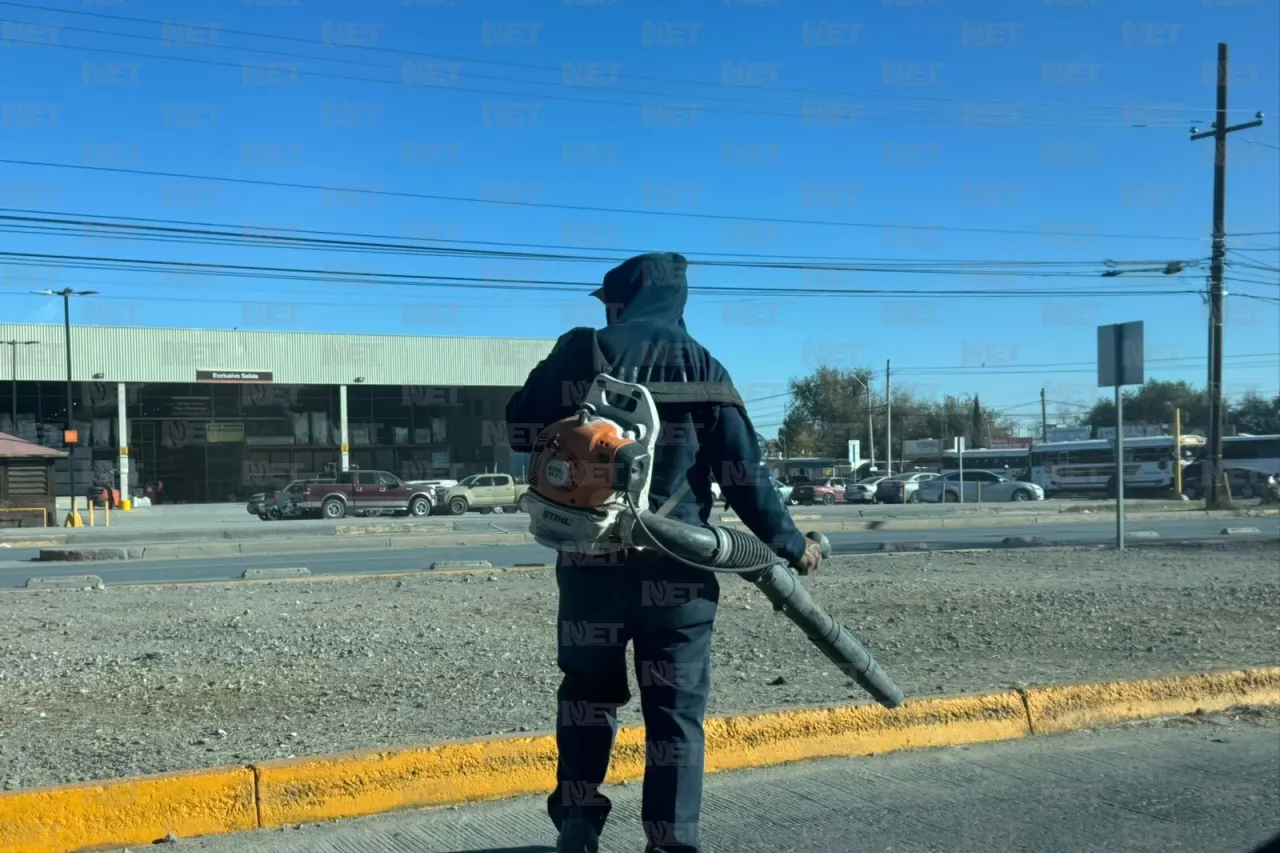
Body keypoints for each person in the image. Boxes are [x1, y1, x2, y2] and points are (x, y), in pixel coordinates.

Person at [505, 252, 824, 853]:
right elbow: (745, 478)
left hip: (589, 568)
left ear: (620, 301)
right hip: (680, 575)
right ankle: (671, 844)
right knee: (674, 717)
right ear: (676, 302)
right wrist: (791, 547)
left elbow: (519, 429)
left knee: (586, 697)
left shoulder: (580, 350)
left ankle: (577, 825)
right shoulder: (706, 366)